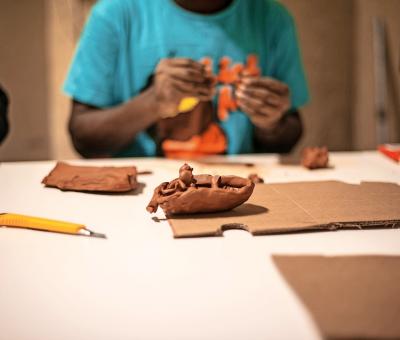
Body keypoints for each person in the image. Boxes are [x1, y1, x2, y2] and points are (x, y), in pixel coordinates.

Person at [64, 0, 309, 158]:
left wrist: (271, 123)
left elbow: (289, 137)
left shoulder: (272, 19)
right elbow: (83, 137)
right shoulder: (115, 14)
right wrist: (153, 103)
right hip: (139, 198)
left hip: (244, 192)